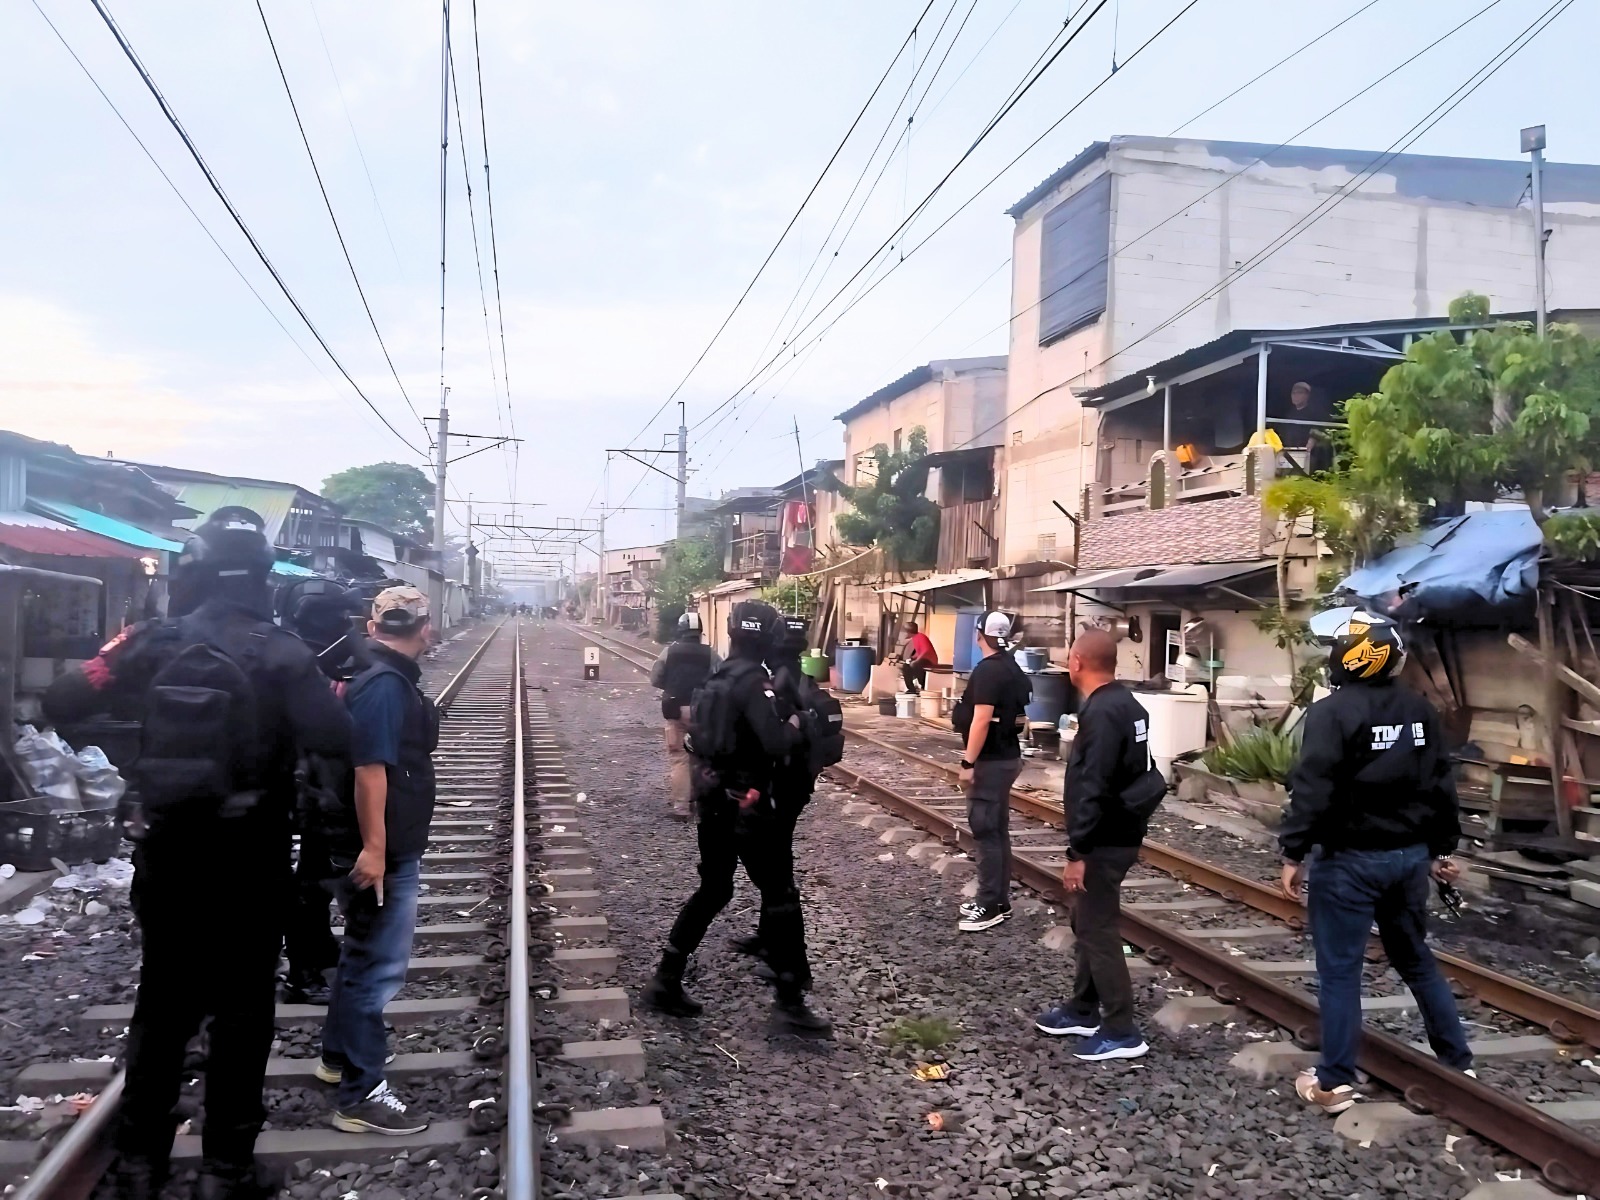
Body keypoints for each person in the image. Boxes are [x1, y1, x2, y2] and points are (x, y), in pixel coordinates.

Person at [44, 507, 353, 1200]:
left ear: (196, 570)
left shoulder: (149, 642)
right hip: (251, 856)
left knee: (163, 1003)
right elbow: (337, 737)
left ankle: (139, 1165)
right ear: (263, 577)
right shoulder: (281, 652)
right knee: (244, 1008)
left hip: (168, 852)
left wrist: (137, 758)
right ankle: (226, 1171)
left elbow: (64, 700)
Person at [1279, 610, 1473, 1113]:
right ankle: (1457, 1061)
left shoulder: (1332, 714)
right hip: (1408, 860)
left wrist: (1293, 851)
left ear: (1346, 659)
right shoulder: (1420, 711)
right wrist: (1442, 848)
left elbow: (1313, 789)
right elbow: (1440, 788)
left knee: (1340, 971)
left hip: (1348, 863)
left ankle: (1335, 1082)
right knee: (1415, 958)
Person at [642, 600, 831, 1037]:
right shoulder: (753, 683)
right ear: (766, 636)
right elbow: (776, 742)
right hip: (746, 805)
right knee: (780, 895)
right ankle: (789, 1002)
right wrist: (801, 721)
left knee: (714, 889)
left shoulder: (717, 676)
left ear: (731, 632)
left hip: (713, 799)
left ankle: (666, 978)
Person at [318, 586, 440, 1135]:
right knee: (376, 971)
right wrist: (375, 848)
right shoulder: (387, 686)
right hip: (380, 852)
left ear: (374, 627)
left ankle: (337, 1058)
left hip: (373, 845)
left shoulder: (378, 676)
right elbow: (371, 770)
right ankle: (360, 1094)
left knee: (358, 955)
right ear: (426, 628)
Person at [1034, 628, 1161, 1061]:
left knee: (1097, 928)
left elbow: (1096, 785)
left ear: (1077, 662)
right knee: (1086, 919)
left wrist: (1078, 853)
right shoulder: (1129, 704)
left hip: (1105, 839)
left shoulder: (1102, 713)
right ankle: (1083, 1008)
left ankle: (1122, 1029)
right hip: (1121, 831)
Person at [730, 613, 839, 990]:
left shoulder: (776, 682)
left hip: (780, 789)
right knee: (779, 864)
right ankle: (768, 939)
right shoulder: (800, 677)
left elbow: (771, 740)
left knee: (776, 873)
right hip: (796, 785)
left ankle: (782, 956)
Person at [952, 611, 1032, 933]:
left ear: (980, 635)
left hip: (989, 761)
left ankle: (988, 905)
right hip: (1008, 757)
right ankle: (998, 901)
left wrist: (968, 763)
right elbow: (1022, 721)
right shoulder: (1013, 668)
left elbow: (981, 719)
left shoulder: (987, 671)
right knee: (997, 831)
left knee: (985, 830)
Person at [650, 610, 721, 820]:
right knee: (702, 757)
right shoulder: (711, 654)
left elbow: (655, 679)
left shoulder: (669, 652)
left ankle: (681, 807)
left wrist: (671, 687)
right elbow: (721, 678)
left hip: (675, 711)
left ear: (680, 631)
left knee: (679, 759)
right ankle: (701, 802)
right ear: (700, 632)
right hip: (703, 713)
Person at [898, 620, 939, 693]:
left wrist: (916, 661)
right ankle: (911, 688)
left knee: (916, 665)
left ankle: (923, 685)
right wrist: (912, 658)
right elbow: (919, 652)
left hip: (929, 660)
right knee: (906, 666)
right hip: (923, 659)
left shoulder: (921, 637)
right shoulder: (915, 638)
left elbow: (926, 650)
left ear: (909, 632)